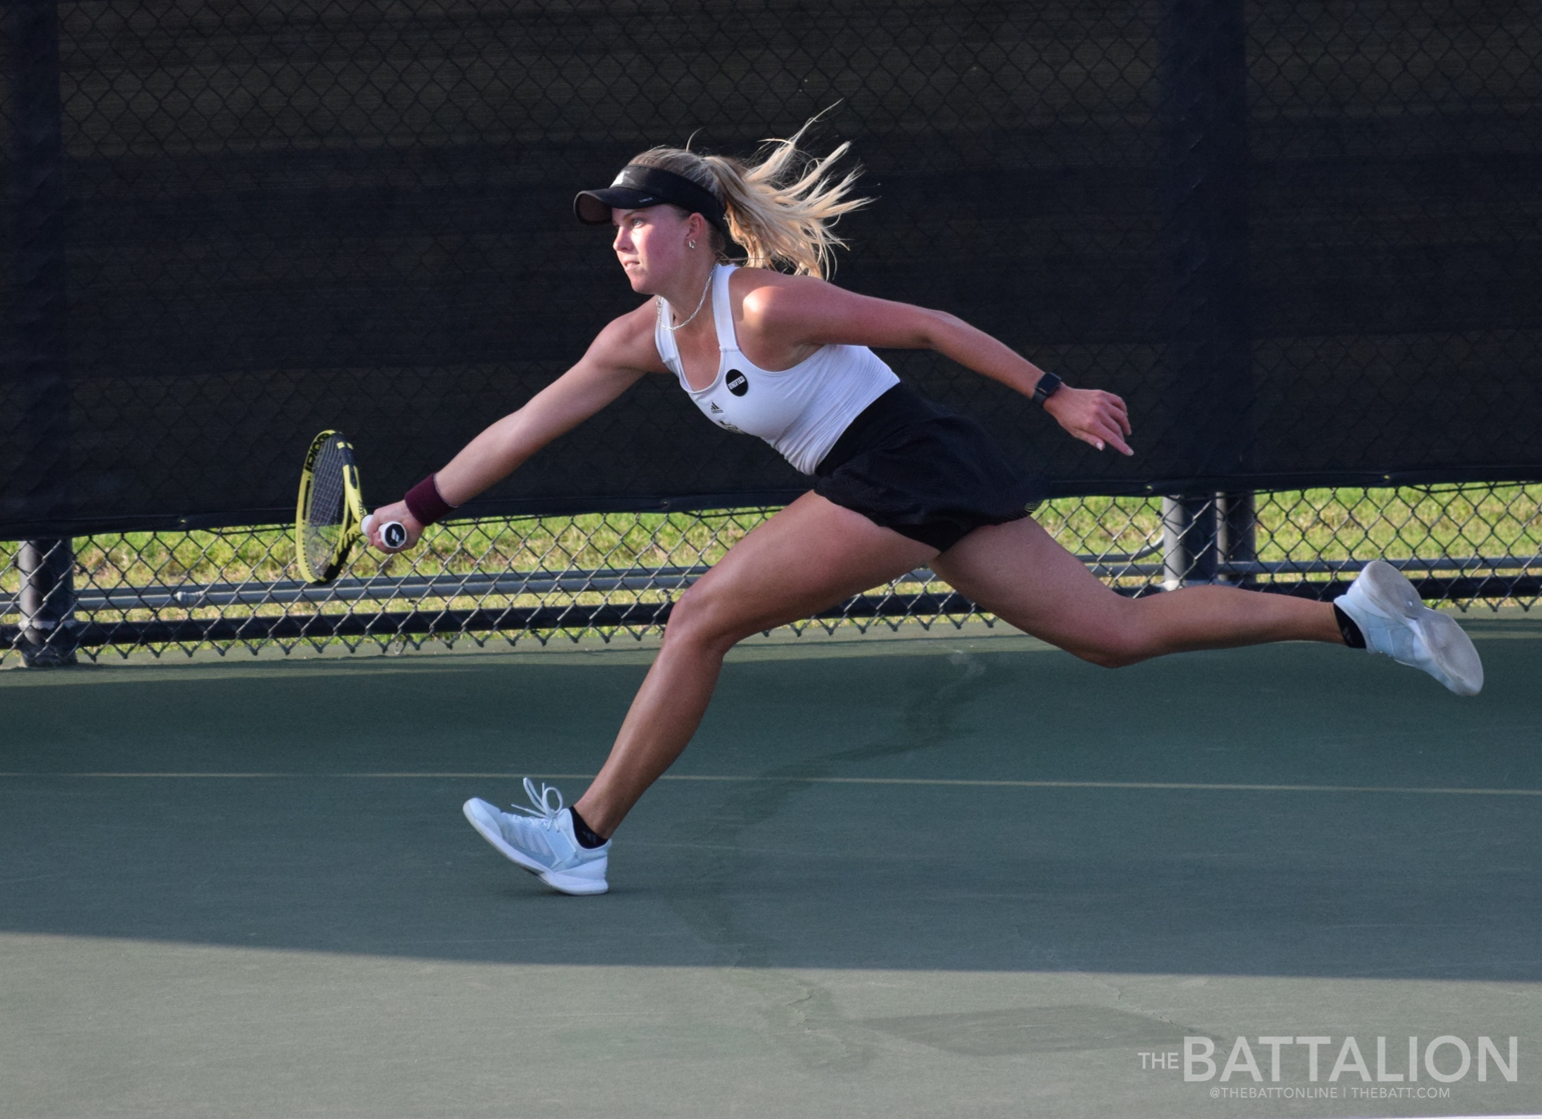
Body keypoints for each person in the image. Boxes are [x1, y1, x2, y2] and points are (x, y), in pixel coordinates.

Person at [364, 123, 1484, 896]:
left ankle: (581, 836)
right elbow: (525, 425)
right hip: (908, 475)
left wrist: (1055, 394)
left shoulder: (765, 303)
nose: (618, 235)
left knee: (700, 614)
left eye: (637, 218)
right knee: (1114, 634)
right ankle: (1355, 618)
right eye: (609, 223)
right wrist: (418, 506)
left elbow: (930, 325)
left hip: (896, 462)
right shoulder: (637, 340)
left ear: (698, 228)